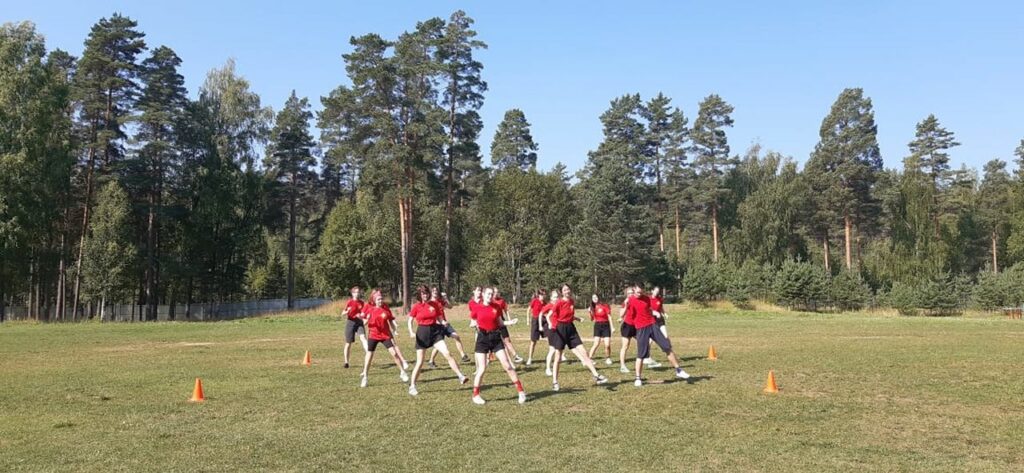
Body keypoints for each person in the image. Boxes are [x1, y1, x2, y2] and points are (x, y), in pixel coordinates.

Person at [468, 287, 527, 405]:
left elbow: (500, 323)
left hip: (495, 337)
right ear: (483, 294)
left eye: (491, 294)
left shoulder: (496, 307)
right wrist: (474, 324)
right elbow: (472, 321)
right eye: (488, 294)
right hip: (482, 338)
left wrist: (510, 322)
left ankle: (521, 392)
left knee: (507, 366)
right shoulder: (476, 308)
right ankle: (476, 395)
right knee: (482, 368)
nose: (490, 296)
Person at [544, 284, 608, 391]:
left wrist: (577, 319)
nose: (567, 291)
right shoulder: (559, 302)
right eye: (565, 290)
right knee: (558, 356)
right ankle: (555, 382)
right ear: (562, 292)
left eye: (568, 289)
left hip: (571, 329)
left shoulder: (571, 301)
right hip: (560, 329)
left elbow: (569, 315)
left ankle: (596, 376)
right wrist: (550, 324)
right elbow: (549, 315)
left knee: (584, 352)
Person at [406, 286, 469, 396]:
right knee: (420, 362)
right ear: (420, 295)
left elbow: (439, 317)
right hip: (422, 333)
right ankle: (412, 386)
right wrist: (411, 332)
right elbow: (410, 320)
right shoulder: (416, 306)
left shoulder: (434, 304)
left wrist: (443, 322)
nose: (425, 295)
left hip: (435, 332)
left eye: (426, 293)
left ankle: (460, 376)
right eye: (423, 293)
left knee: (447, 353)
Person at [625, 284, 690, 387]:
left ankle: (679, 370)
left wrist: (655, 312)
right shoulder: (631, 301)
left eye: (641, 292)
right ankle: (638, 378)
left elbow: (648, 309)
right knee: (641, 354)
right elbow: (629, 316)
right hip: (641, 328)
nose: (639, 294)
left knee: (667, 346)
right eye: (637, 292)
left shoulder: (647, 298)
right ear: (634, 290)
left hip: (652, 325)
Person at [359, 289, 409, 388]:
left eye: (381, 299)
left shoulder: (385, 310)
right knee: (369, 356)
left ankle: (402, 372)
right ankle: (365, 377)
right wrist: (367, 319)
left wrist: (394, 330)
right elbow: (364, 323)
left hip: (385, 335)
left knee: (394, 353)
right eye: (378, 299)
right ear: (374, 300)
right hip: (373, 335)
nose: (380, 301)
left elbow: (390, 321)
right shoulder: (370, 310)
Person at [427, 287, 470, 366]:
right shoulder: (429, 303)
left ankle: (463, 356)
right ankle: (431, 361)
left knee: (456, 336)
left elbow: (450, 307)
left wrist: (446, 298)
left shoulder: (440, 301)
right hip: (437, 326)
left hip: (445, 324)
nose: (435, 292)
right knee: (439, 345)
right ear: (431, 292)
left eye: (436, 290)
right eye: (433, 291)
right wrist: (438, 322)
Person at [493, 288, 524, 363]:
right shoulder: (489, 301)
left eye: (497, 292)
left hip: (501, 321)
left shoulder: (501, 301)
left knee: (507, 340)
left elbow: (506, 311)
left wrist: (509, 320)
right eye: (495, 292)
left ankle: (515, 356)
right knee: (497, 342)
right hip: (493, 322)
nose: (496, 294)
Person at [342, 286, 368, 368]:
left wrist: (362, 317)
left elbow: (364, 314)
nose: (357, 294)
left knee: (363, 337)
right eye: (355, 292)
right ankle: (346, 362)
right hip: (350, 322)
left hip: (359, 322)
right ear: (352, 293)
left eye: (358, 292)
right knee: (348, 343)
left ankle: (368, 353)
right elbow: (342, 313)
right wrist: (347, 311)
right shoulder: (349, 302)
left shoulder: (362, 303)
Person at [587, 294, 614, 365]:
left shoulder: (605, 305)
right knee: (596, 343)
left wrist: (612, 327)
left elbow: (609, 316)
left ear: (599, 297)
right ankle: (589, 359)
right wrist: (589, 312)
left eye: (596, 297)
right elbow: (592, 319)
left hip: (606, 325)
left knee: (607, 344)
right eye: (593, 297)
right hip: (597, 326)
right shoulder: (592, 307)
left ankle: (608, 358)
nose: (594, 298)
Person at [617, 286, 637, 374]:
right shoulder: (625, 302)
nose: (630, 295)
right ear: (626, 294)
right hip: (627, 326)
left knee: (644, 342)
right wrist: (625, 305)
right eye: (629, 293)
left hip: (636, 326)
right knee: (625, 346)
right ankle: (622, 366)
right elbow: (621, 315)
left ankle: (646, 359)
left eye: (632, 293)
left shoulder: (637, 301)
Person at [525, 288, 547, 365]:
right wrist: (528, 320)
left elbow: (546, 312)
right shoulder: (535, 301)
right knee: (533, 341)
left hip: (543, 321)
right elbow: (528, 310)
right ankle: (530, 358)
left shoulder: (545, 303)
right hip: (535, 321)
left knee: (551, 336)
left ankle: (559, 355)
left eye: (544, 294)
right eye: (542, 294)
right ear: (539, 295)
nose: (543, 296)